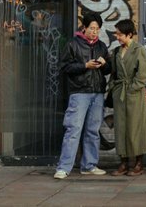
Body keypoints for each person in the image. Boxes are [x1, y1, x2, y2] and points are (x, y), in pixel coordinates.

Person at [54, 11, 111, 179]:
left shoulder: (101, 46)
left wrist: (104, 64)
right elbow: (64, 67)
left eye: (97, 29)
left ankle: (89, 165)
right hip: (79, 92)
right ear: (84, 28)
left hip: (97, 92)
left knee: (93, 131)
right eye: (92, 28)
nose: (94, 32)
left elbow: (109, 69)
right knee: (73, 129)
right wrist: (85, 65)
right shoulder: (73, 44)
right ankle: (63, 167)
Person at [108, 18, 146, 176]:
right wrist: (114, 88)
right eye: (116, 34)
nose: (117, 37)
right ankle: (123, 162)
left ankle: (139, 163)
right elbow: (114, 73)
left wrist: (133, 89)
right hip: (119, 94)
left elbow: (143, 74)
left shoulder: (138, 50)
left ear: (129, 34)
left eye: (120, 34)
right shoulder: (116, 51)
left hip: (134, 94)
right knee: (121, 128)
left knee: (136, 127)